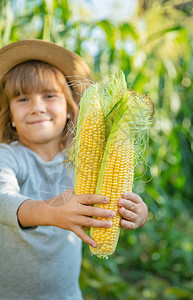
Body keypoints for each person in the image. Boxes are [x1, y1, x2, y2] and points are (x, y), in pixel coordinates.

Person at [0, 39, 148, 300]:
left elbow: (108, 202)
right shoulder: (9, 156)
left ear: (70, 109)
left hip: (66, 294)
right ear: (10, 113)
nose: (37, 107)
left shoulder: (84, 160)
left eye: (49, 96)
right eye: (23, 99)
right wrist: (50, 212)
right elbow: (2, 199)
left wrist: (135, 211)